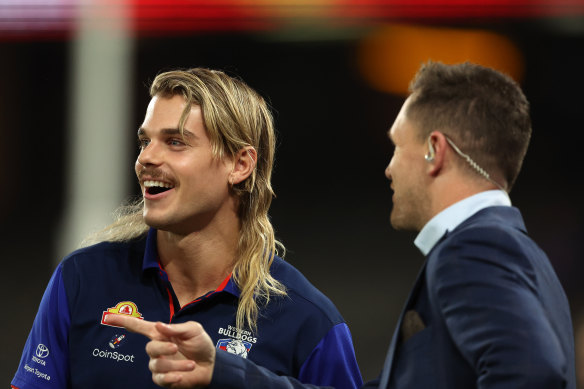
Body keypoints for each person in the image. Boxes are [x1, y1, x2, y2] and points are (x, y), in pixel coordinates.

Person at [107, 61, 576, 389]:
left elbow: (532, 373)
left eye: (398, 146)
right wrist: (224, 371)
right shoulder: (521, 253)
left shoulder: (473, 251)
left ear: (436, 151)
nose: (389, 168)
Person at [11, 68, 363, 389]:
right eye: (145, 141)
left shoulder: (309, 321)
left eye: (175, 142)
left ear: (240, 164)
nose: (146, 158)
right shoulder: (80, 279)